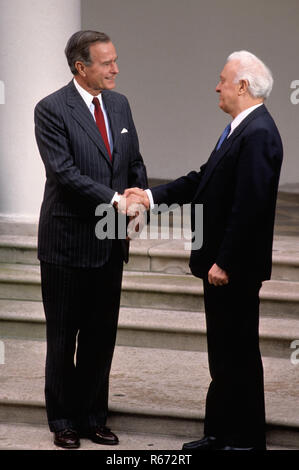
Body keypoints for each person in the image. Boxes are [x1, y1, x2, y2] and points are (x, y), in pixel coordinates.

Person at [124, 51, 283, 451]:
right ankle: (219, 433)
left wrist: (226, 261)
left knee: (239, 352)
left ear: (242, 86)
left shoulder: (259, 132)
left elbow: (252, 205)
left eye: (223, 79)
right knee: (224, 354)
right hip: (220, 264)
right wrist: (148, 195)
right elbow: (201, 181)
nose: (217, 86)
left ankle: (244, 441)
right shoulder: (238, 130)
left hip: (233, 268)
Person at [34, 30, 147, 449]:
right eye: (107, 62)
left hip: (110, 242)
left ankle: (93, 417)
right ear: (82, 67)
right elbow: (63, 172)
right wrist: (116, 199)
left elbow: (133, 159)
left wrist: (138, 196)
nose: (116, 68)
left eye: (115, 60)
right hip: (66, 243)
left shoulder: (119, 104)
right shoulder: (50, 109)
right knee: (63, 337)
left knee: (101, 336)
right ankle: (63, 420)